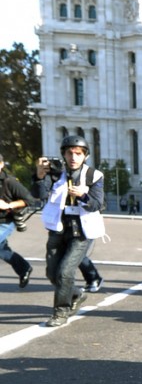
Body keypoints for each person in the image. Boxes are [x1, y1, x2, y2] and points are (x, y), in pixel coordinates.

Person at [33, 135, 105, 327]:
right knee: (52, 274)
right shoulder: (55, 173)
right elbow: (40, 196)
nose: (73, 157)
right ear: (64, 155)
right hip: (58, 229)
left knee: (65, 272)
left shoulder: (93, 176)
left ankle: (61, 312)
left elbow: (98, 204)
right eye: (69, 153)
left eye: (78, 154)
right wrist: (40, 177)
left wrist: (83, 196)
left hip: (81, 232)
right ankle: (76, 294)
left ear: (85, 156)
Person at [0, 153, 34, 288]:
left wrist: (8, 205)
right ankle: (24, 268)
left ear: (1, 165)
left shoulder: (10, 181)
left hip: (5, 221)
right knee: (1, 249)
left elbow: (29, 200)